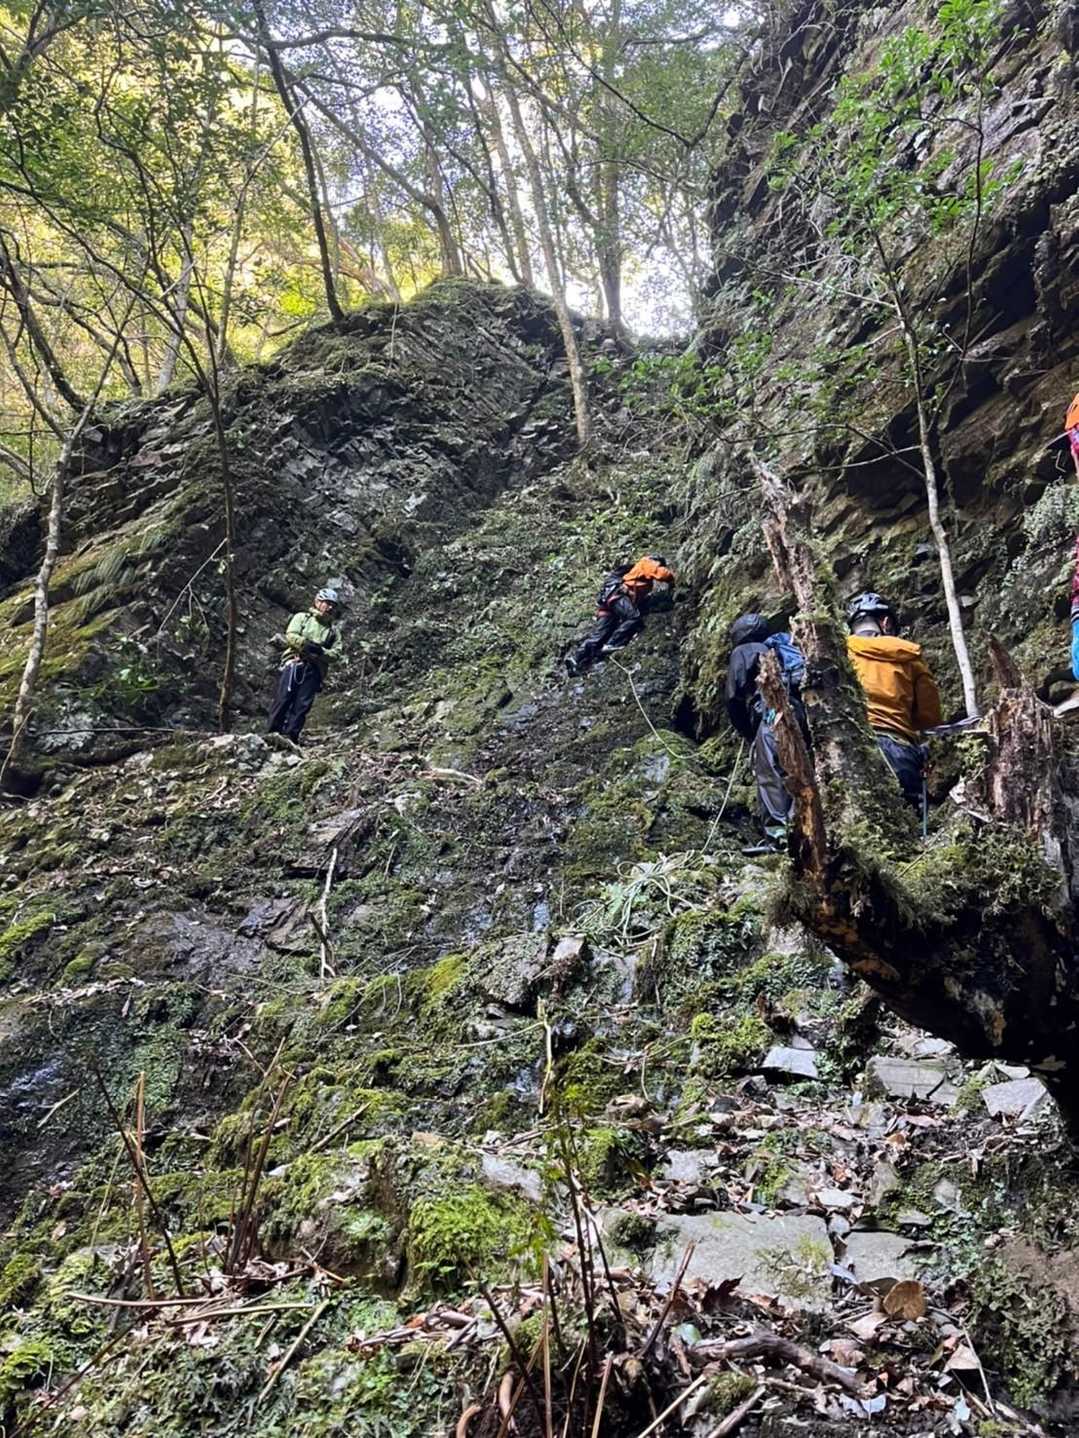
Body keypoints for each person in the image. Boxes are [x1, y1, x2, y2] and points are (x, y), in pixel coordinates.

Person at [845, 593, 942, 806]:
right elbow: (929, 718)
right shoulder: (910, 657)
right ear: (886, 622)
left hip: (851, 748)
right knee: (913, 813)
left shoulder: (841, 655)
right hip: (899, 749)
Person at [726, 613, 807, 853]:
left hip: (771, 714)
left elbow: (733, 697)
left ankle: (780, 838)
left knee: (771, 771)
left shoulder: (743, 651)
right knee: (796, 769)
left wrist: (747, 731)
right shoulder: (779, 647)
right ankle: (802, 830)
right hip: (798, 712)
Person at [566, 554, 676, 675]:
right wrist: (673, 579)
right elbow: (662, 574)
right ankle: (612, 643)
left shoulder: (634, 574)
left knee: (599, 635)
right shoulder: (646, 562)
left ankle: (575, 659)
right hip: (618, 597)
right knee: (634, 617)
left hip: (608, 601)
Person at [268, 587, 341, 744]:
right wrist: (305, 644)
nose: (329, 607)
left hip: (315, 669)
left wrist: (321, 651)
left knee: (302, 704)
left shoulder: (333, 632)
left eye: (332, 605)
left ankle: (290, 737)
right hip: (295, 662)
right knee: (283, 698)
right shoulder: (302, 618)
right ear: (317, 602)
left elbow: (336, 654)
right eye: (327, 603)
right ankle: (272, 734)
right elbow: (291, 635)